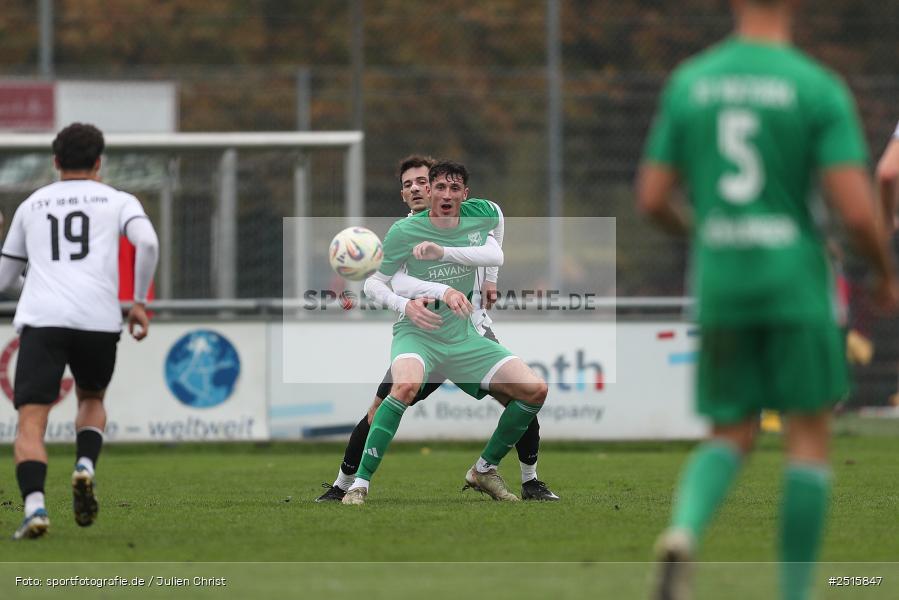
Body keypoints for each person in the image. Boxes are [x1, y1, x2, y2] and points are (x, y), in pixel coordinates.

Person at [635, 1, 899, 598]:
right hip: (796, 284)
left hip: (723, 283)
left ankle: (684, 530)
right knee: (808, 437)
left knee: (729, 432)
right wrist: (883, 270)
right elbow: (858, 210)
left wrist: (704, 230)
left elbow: (651, 198)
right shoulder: (816, 87)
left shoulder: (691, 82)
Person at [315, 155, 558, 503]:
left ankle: (526, 480)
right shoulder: (405, 232)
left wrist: (490, 280)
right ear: (408, 194)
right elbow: (390, 281)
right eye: (409, 184)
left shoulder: (474, 214)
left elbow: (497, 234)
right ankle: (346, 484)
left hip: (470, 330)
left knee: (523, 395)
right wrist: (435, 293)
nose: (420, 188)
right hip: (421, 333)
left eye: (424, 182)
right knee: (386, 402)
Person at [1, 122, 159, 539]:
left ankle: (35, 509)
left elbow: (4, 280)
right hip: (98, 318)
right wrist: (138, 300)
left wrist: (35, 280)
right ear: (98, 162)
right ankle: (85, 465)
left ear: (55, 162)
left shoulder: (32, 205)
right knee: (91, 398)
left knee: (31, 421)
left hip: (42, 318)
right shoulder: (118, 200)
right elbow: (148, 243)